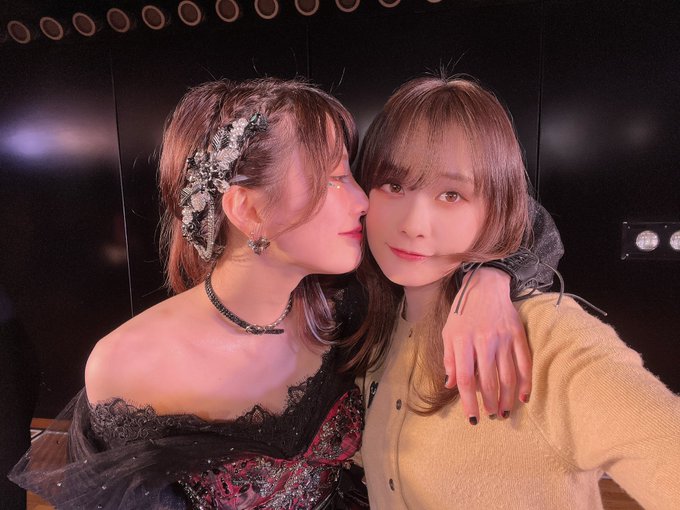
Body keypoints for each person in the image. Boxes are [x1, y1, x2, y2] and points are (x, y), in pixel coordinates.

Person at [10, 77, 559, 509]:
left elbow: (516, 215)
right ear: (248, 210)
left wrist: (489, 282)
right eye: (333, 179)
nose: (362, 200)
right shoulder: (128, 366)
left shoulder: (352, 299)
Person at [350, 75, 680, 510]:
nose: (412, 224)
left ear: (497, 209)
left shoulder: (546, 337)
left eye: (451, 194)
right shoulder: (374, 328)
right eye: (394, 185)